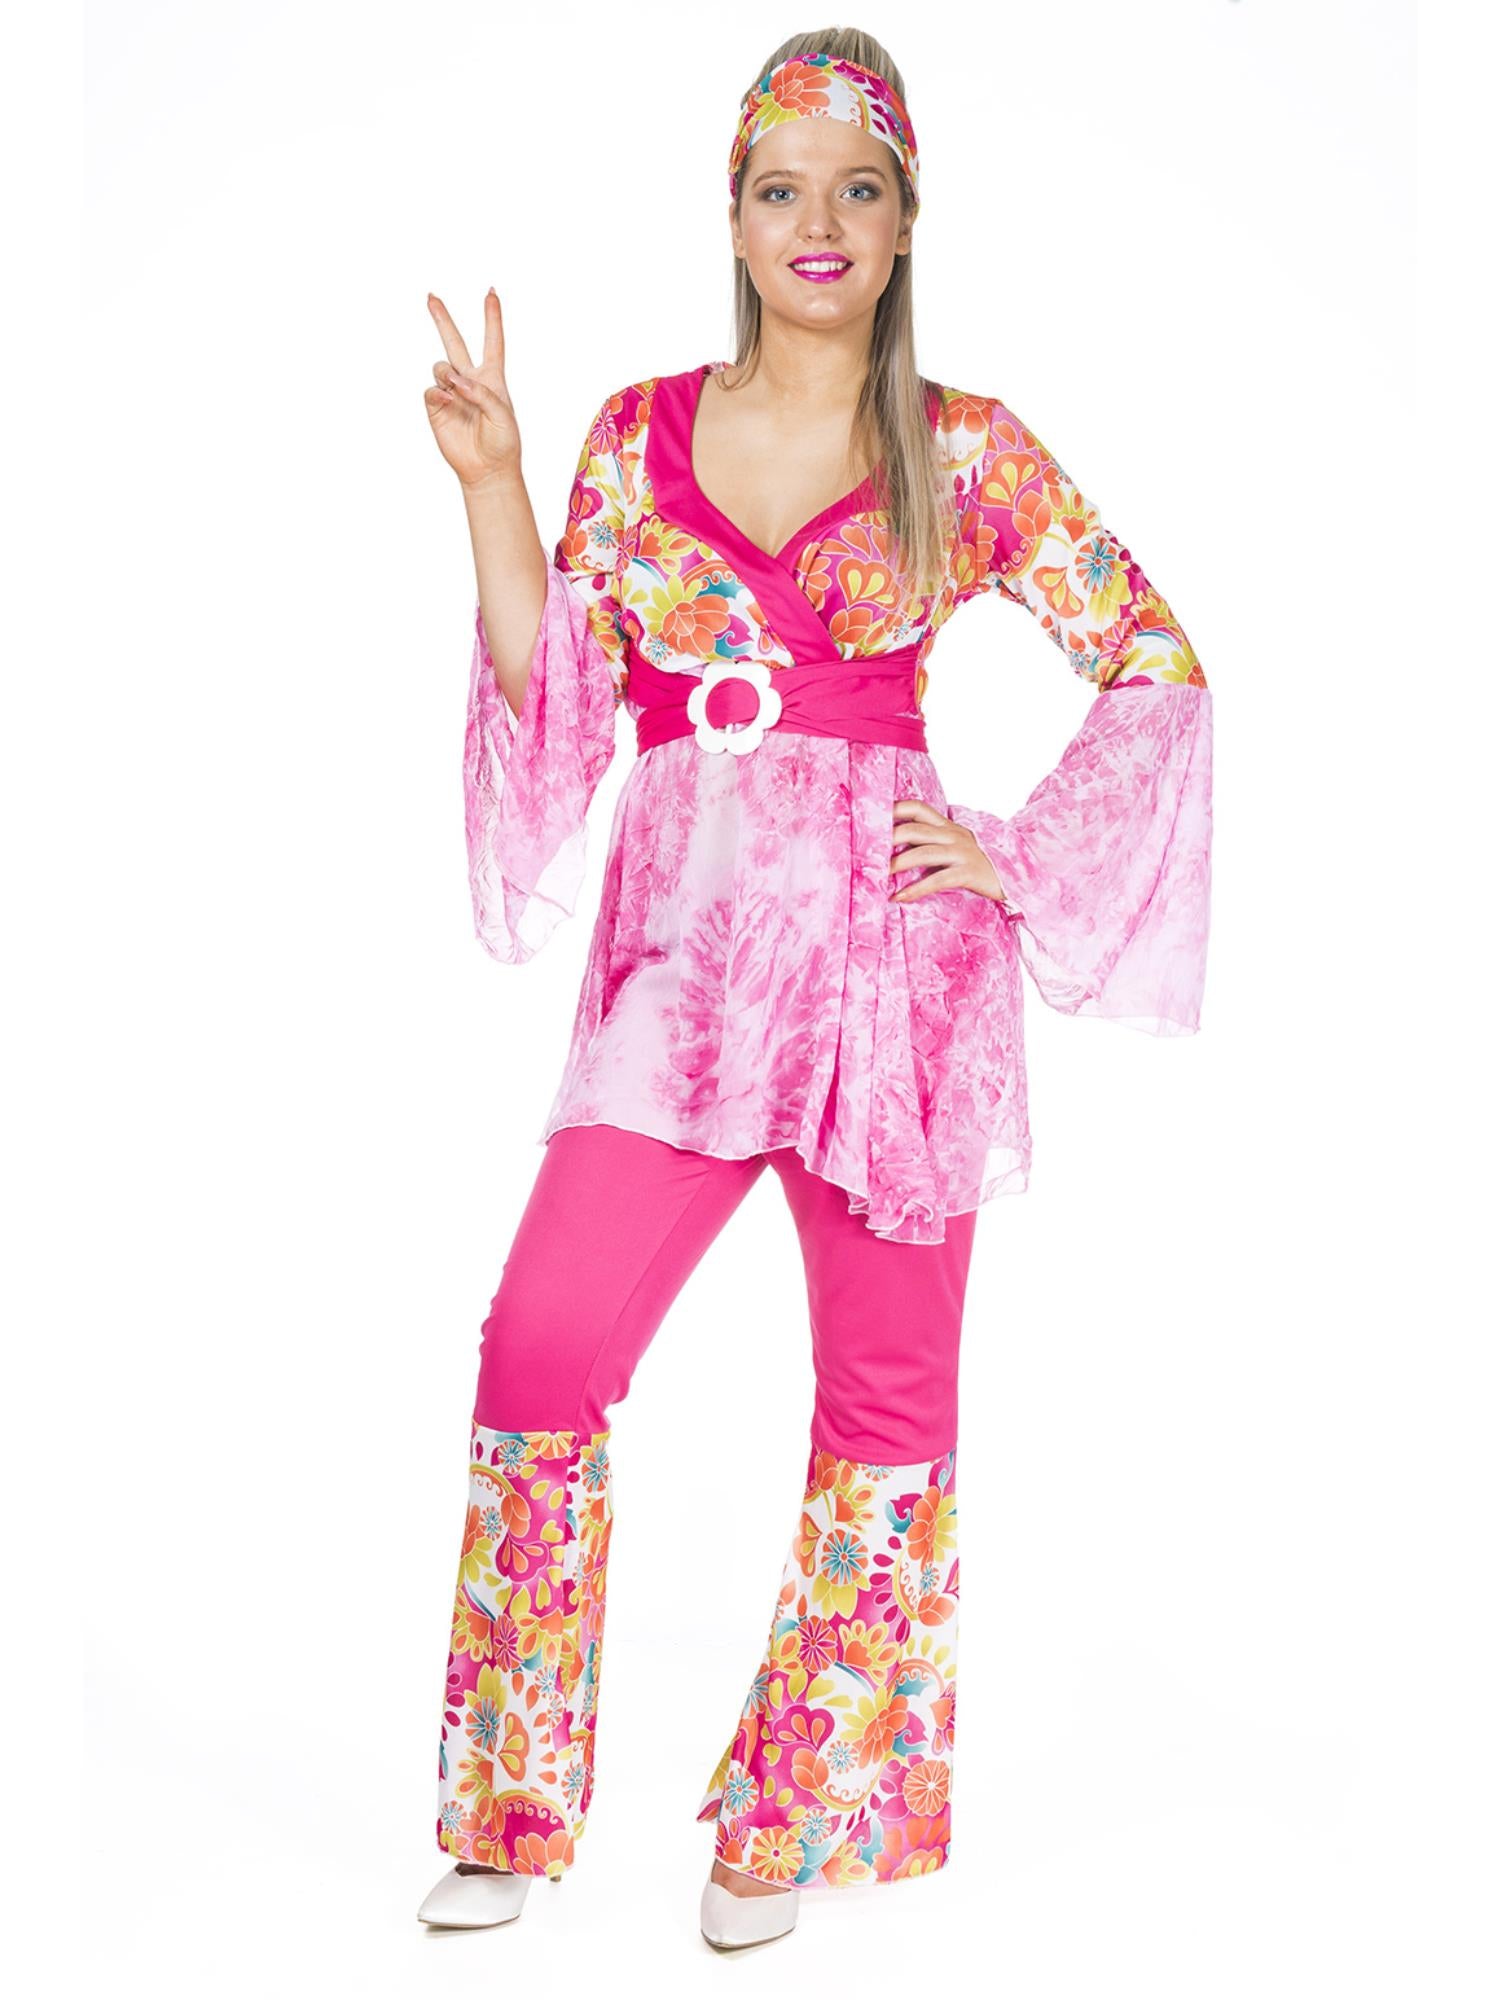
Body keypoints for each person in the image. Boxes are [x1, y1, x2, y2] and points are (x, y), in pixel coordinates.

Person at [415, 25, 1213, 1952]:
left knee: (886, 1392)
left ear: (906, 215)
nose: (820, 222)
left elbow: (1158, 659)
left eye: (859, 188)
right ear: (737, 217)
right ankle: (512, 1806)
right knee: (542, 1345)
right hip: (682, 978)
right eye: (783, 189)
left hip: (891, 982)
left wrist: (1012, 854)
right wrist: (496, 485)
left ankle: (790, 1809)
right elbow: (559, 698)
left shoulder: (968, 450)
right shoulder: (634, 434)